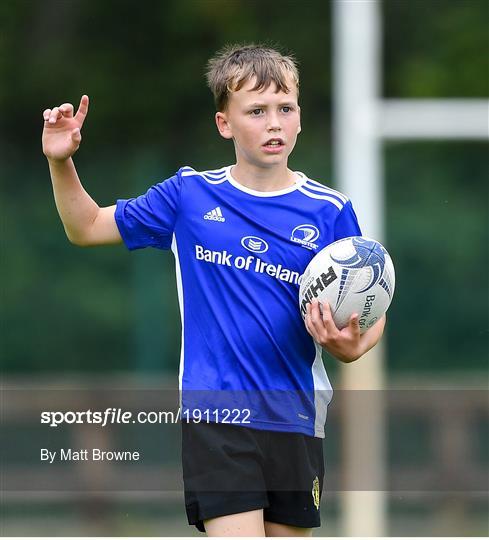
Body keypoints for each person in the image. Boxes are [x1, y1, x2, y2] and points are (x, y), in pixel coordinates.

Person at [42, 44, 385, 537]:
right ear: (225, 123)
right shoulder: (189, 195)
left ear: (300, 118)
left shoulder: (329, 211)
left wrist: (354, 344)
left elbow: (371, 311)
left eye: (285, 109)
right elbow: (87, 226)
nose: (274, 123)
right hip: (216, 416)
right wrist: (61, 163)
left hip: (295, 417)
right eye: (257, 111)